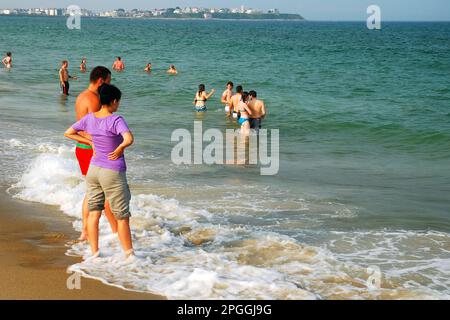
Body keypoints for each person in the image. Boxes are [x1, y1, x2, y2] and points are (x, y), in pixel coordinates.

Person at [64, 84, 135, 259]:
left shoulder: (90, 118)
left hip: (93, 170)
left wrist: (90, 142)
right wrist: (119, 148)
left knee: (94, 211)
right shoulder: (116, 119)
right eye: (118, 101)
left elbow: (69, 132)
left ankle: (94, 253)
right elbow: (129, 139)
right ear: (114, 101)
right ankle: (130, 257)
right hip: (112, 171)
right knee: (122, 216)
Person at [75, 66, 118, 241]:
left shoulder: (82, 96)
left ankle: (85, 231)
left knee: (92, 191)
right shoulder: (93, 99)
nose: (109, 85)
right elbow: (96, 128)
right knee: (105, 192)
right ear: (101, 80)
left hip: (83, 147)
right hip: (91, 149)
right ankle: (117, 231)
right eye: (109, 81)